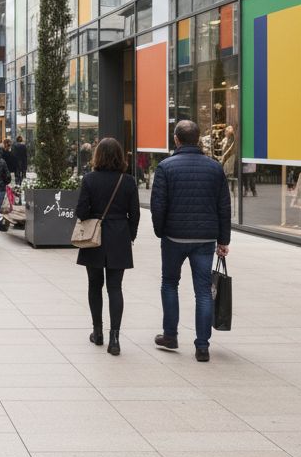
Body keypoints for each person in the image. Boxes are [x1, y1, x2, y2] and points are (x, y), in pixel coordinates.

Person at [150, 120, 232, 362]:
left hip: (174, 236)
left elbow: (158, 205)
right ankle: (203, 345)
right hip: (204, 238)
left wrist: (160, 230)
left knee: (169, 283)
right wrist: (223, 240)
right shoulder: (214, 168)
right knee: (203, 292)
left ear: (176, 139)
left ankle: (170, 335)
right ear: (197, 139)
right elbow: (224, 207)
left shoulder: (165, 167)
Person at [74, 137, 141, 356]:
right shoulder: (128, 181)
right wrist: (129, 236)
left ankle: (97, 332)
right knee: (115, 287)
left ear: (97, 156)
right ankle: (115, 338)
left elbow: (82, 211)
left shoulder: (90, 179)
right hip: (119, 236)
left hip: (94, 238)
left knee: (94, 285)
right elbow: (135, 214)